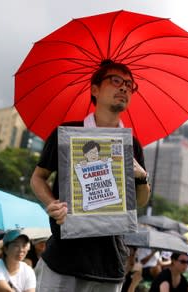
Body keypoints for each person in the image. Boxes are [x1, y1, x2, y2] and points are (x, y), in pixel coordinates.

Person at [31, 60, 151, 291]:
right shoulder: (66, 135)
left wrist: (142, 176)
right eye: (116, 81)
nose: (124, 88)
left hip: (110, 264)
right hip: (62, 260)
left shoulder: (131, 145)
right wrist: (52, 203)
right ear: (94, 89)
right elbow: (38, 177)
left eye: (129, 84)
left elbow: (141, 201)